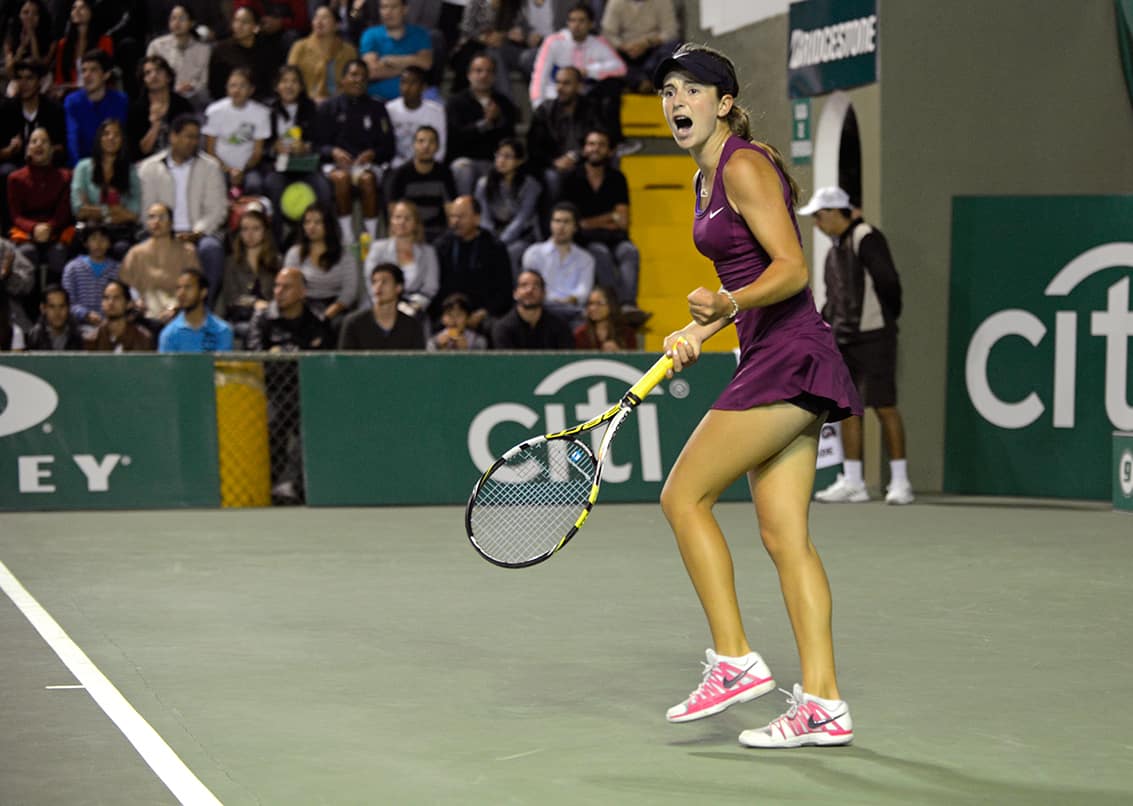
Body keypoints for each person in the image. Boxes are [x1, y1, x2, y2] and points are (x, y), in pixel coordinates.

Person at [653, 44, 860, 748]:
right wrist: (699, 324)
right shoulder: (700, 179)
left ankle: (735, 659)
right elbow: (740, 292)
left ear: (722, 101)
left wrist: (725, 303)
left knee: (683, 498)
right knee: (784, 536)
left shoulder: (741, 163)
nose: (675, 102)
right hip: (771, 349)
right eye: (666, 92)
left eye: (688, 90)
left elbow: (793, 269)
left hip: (788, 355)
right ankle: (823, 704)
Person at [799, 186, 914, 505]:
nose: (817, 224)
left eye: (820, 217)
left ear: (837, 213)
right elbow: (832, 296)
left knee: (884, 405)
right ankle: (853, 482)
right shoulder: (834, 248)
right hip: (843, 338)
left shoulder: (867, 237)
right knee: (849, 408)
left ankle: (901, 482)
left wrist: (882, 320)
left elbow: (889, 283)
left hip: (875, 337)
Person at [246, 265, 329, 503]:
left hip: (308, 394)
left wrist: (281, 354)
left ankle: (291, 484)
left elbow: (321, 362)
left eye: (286, 287)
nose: (279, 292)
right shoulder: (262, 319)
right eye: (277, 286)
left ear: (303, 292)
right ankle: (274, 484)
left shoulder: (317, 321)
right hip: (268, 391)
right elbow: (254, 355)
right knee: (272, 421)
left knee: (311, 424)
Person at [136, 114, 228, 305]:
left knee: (212, 249)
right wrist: (166, 234)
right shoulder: (149, 168)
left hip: (199, 234)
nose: (193, 142)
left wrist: (196, 232)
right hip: (160, 232)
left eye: (196, 138)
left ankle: (204, 310)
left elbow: (217, 210)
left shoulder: (210, 167)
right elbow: (146, 211)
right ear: (173, 137)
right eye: (188, 136)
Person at [312, 58, 396, 244]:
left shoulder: (377, 108)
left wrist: (372, 154)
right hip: (335, 165)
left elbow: (389, 147)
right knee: (341, 179)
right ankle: (347, 237)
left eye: (364, 77)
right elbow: (316, 146)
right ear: (343, 80)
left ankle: (372, 237)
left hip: (366, 165)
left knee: (367, 180)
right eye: (354, 75)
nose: (359, 80)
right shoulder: (328, 108)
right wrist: (333, 151)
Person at [560, 127, 639, 308]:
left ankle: (627, 305)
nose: (595, 149)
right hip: (585, 241)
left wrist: (589, 222)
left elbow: (623, 221)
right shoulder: (571, 178)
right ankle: (612, 307)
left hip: (615, 238)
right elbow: (574, 223)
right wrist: (609, 218)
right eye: (591, 144)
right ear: (584, 149)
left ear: (610, 151)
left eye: (601, 145)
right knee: (600, 252)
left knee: (629, 251)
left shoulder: (617, 178)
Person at [528, 2, 625, 142]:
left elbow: (620, 68)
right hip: (555, 99)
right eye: (572, 20)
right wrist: (538, 104)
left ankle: (612, 142)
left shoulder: (598, 42)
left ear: (591, 24)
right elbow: (539, 75)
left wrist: (589, 71)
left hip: (584, 100)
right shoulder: (554, 42)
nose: (576, 25)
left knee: (612, 87)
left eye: (581, 21)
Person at [263, 64, 331, 245]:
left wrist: (307, 148)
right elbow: (260, 147)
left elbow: (322, 145)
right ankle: (276, 246)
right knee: (273, 187)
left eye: (294, 81)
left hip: (305, 166)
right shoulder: (267, 111)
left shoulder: (312, 109)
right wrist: (273, 148)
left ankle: (324, 240)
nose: (289, 86)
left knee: (323, 187)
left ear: (301, 86)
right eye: (284, 81)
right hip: (278, 168)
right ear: (277, 86)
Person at [430, 194, 512, 331]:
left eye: (461, 217)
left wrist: (484, 312)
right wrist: (449, 314)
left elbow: (504, 291)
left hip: (483, 313)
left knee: (496, 327)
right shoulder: (441, 246)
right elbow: (435, 288)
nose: (455, 222)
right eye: (452, 216)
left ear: (477, 218)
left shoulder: (495, 247)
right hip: (448, 312)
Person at [0, 60, 65, 231]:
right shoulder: (6, 109)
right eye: (19, 79)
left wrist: (45, 152)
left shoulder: (53, 109)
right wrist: (8, 151)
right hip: (16, 164)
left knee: (63, 175)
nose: (24, 84)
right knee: (7, 173)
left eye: (29, 79)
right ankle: (10, 230)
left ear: (39, 82)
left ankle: (55, 227)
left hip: (47, 165)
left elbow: (62, 146)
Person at [445, 52, 517, 196]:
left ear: (494, 76)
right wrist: (485, 123)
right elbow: (455, 138)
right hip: (464, 160)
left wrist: (497, 121)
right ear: (469, 75)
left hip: (493, 162)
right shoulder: (456, 102)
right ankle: (463, 212)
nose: (483, 76)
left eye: (488, 71)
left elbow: (509, 139)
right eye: (478, 71)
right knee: (463, 169)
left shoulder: (504, 103)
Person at [119, 202, 201, 328]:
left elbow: (195, 288)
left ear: (171, 223)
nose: (156, 222)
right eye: (151, 217)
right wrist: (136, 302)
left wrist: (176, 308)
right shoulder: (136, 253)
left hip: (180, 313)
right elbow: (124, 287)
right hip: (144, 315)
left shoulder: (187, 251)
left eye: (162, 217)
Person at [8, 126, 72, 285]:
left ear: (52, 149)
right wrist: (34, 228)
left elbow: (63, 213)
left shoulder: (65, 177)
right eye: (34, 141)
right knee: (26, 253)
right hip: (26, 234)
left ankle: (54, 303)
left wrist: (49, 228)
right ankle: (30, 305)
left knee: (58, 253)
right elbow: (15, 215)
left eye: (44, 142)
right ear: (28, 149)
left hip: (55, 232)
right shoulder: (15, 178)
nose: (39, 145)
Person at [525, 64, 599, 201]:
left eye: (566, 83)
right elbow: (533, 147)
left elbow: (598, 140)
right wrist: (554, 162)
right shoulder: (545, 110)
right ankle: (552, 221)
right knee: (552, 178)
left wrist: (576, 157)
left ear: (579, 86)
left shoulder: (591, 110)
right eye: (558, 82)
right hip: (551, 165)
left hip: (584, 162)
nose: (560, 88)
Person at [70, 117, 140, 258]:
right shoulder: (83, 167)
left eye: (117, 134)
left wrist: (92, 209)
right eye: (106, 133)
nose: (111, 138)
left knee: (123, 248)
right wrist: (112, 211)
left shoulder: (130, 170)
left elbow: (134, 213)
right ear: (99, 138)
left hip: (119, 233)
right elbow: (78, 209)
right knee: (78, 244)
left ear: (122, 140)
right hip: (88, 232)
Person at [283, 202, 358, 332]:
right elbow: (289, 285)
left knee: (339, 324)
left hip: (335, 306)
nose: (311, 227)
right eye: (307, 222)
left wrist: (329, 313)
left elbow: (350, 291)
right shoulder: (294, 253)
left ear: (328, 225)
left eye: (317, 222)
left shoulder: (345, 255)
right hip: (302, 306)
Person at [474, 136, 540, 277]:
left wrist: (501, 243)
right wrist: (491, 240)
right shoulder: (483, 184)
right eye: (499, 155)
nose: (501, 160)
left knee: (511, 253)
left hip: (522, 236)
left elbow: (522, 219)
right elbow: (484, 218)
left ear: (520, 161)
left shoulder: (530, 185)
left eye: (508, 156)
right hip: (494, 235)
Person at [521, 200, 592, 326]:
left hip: (572, 311)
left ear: (575, 227)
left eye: (566, 222)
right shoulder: (533, 253)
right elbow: (530, 287)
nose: (561, 226)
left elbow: (583, 291)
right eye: (557, 221)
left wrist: (569, 300)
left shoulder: (586, 258)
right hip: (542, 308)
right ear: (551, 224)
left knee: (583, 320)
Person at [202, 66, 271, 197]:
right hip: (219, 168)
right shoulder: (214, 111)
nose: (236, 90)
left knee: (254, 184)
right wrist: (227, 170)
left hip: (248, 168)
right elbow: (210, 150)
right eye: (232, 85)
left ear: (251, 90)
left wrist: (242, 171)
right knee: (214, 184)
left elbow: (257, 153)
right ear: (227, 88)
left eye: (242, 86)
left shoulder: (262, 113)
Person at [362, 198, 438, 315]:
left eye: (407, 218)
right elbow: (370, 282)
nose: (402, 222)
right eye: (397, 217)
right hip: (378, 307)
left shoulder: (428, 252)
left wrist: (411, 308)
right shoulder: (377, 248)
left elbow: (430, 288)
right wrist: (387, 306)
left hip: (414, 310)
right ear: (391, 221)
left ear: (416, 224)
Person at [216, 206, 280, 341]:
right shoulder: (231, 262)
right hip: (240, 317)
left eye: (256, 228)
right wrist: (255, 303)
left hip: (271, 315)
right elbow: (231, 297)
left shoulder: (277, 261)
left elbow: (281, 294)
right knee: (250, 329)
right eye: (245, 229)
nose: (250, 234)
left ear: (265, 231)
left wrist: (269, 307)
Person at [384, 124, 454, 242]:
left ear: (437, 147)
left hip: (437, 231)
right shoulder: (400, 174)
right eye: (421, 141)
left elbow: (450, 208)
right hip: (409, 230)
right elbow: (393, 211)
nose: (426, 146)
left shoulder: (444, 173)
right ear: (414, 145)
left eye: (431, 142)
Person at [338, 261, 426, 349]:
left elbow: (418, 360)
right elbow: (346, 360)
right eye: (374, 282)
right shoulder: (354, 323)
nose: (378, 286)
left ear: (398, 287)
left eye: (384, 282)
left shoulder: (412, 326)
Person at [62, 49, 127, 166]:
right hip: (82, 165)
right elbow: (72, 139)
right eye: (83, 71)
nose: (86, 75)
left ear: (106, 74)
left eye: (93, 70)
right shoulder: (72, 102)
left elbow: (120, 138)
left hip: (113, 165)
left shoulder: (120, 101)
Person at [358, 0, 433, 102]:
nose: (388, 12)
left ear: (405, 9)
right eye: (384, 7)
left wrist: (388, 60)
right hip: (377, 99)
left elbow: (425, 64)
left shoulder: (420, 34)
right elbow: (372, 71)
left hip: (415, 100)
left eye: (393, 7)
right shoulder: (370, 34)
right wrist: (412, 69)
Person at [599, 0, 678, 93]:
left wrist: (646, 43)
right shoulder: (615, 3)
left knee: (673, 47)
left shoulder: (663, 2)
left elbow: (670, 32)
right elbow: (608, 33)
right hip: (625, 51)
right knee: (604, 51)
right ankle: (641, 82)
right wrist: (623, 46)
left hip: (653, 48)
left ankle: (646, 81)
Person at [127, 54, 195, 160]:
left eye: (158, 71)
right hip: (147, 165)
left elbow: (190, 143)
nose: (153, 76)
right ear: (144, 80)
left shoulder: (183, 105)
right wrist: (155, 126)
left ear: (168, 77)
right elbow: (141, 151)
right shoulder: (136, 109)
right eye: (147, 73)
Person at [286, 5, 358, 104]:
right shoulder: (299, 47)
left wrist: (333, 101)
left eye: (325, 18)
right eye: (316, 17)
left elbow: (353, 83)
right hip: (306, 103)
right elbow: (290, 78)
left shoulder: (348, 51)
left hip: (339, 104)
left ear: (336, 25)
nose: (319, 22)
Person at [207, 6, 281, 103]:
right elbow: (214, 86)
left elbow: (272, 82)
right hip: (230, 102)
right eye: (236, 21)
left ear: (256, 27)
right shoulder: (221, 50)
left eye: (244, 22)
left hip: (262, 101)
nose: (238, 26)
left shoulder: (267, 48)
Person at [145, 5, 212, 110]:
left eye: (182, 19)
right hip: (163, 95)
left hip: (192, 97)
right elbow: (148, 74)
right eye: (173, 18)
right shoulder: (156, 46)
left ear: (192, 23)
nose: (176, 23)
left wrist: (191, 86)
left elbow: (204, 81)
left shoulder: (203, 49)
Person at [490, 267, 572, 349]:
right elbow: (506, 361)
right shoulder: (503, 328)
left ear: (544, 293)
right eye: (524, 285)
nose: (529, 290)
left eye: (536, 285)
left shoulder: (560, 326)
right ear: (515, 293)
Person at [60, 222, 118, 334]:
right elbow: (66, 302)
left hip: (110, 326)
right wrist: (85, 314)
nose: (98, 244)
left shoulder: (117, 269)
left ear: (109, 243)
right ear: (86, 243)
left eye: (103, 239)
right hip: (78, 327)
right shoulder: (72, 268)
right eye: (93, 239)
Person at [157, 267, 233, 351]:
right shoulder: (169, 334)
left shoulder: (222, 331)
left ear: (203, 292)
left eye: (188, 287)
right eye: (178, 288)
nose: (181, 293)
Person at [384, 65, 445, 168]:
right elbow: (385, 146)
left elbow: (441, 147)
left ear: (423, 87)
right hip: (397, 165)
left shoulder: (436, 112)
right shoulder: (390, 109)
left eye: (413, 83)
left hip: (428, 165)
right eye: (404, 82)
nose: (407, 87)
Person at [52, 0, 113, 92]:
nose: (77, 11)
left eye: (82, 7)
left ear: (91, 12)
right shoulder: (63, 44)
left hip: (96, 92)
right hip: (69, 93)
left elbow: (106, 74)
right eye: (74, 8)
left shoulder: (105, 41)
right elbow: (59, 78)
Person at [84, 278, 154, 351]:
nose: (110, 302)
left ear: (128, 304)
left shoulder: (142, 339)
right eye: (106, 298)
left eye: (116, 298)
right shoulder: (92, 339)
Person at [3, 0, 55, 85]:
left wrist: (32, 37)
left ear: (40, 17)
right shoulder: (11, 37)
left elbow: (42, 67)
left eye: (35, 13)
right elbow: (10, 68)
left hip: (41, 80)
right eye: (25, 12)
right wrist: (22, 46)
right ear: (19, 15)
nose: (29, 17)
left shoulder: (51, 40)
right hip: (17, 79)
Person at [574, 283, 635, 350]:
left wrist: (619, 352)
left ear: (612, 305)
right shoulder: (580, 335)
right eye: (590, 303)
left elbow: (635, 359)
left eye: (599, 303)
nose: (592, 308)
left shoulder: (627, 333)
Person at [25, 282, 83, 349]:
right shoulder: (35, 336)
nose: (57, 312)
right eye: (52, 307)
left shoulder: (76, 334)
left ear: (68, 308)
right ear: (43, 308)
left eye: (62, 306)